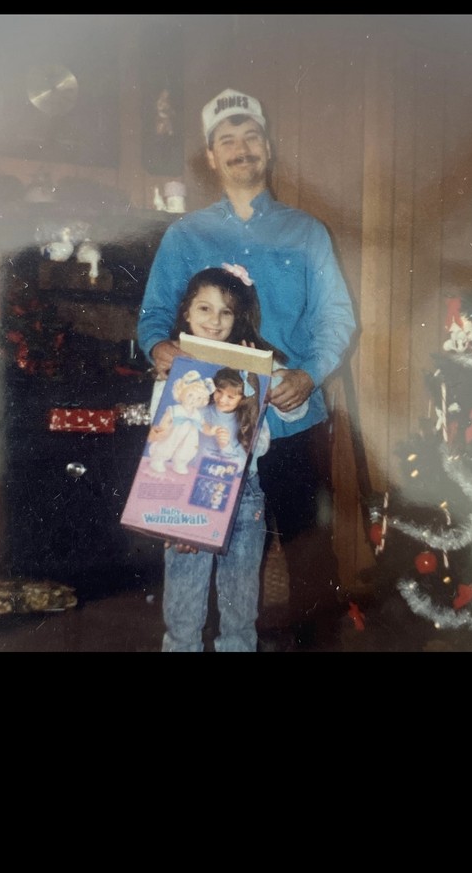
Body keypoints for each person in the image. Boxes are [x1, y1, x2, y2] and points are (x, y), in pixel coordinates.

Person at [138, 87, 356, 648]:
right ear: (211, 157)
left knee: (309, 553)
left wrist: (309, 374)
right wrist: (158, 347)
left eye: (251, 136)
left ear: (268, 147)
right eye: (227, 140)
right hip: (209, 425)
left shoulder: (307, 233)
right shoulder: (185, 235)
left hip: (290, 417)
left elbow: (337, 318)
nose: (241, 149)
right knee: (193, 550)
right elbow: (155, 316)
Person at [150, 265, 303, 653]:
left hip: (244, 493)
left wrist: (268, 379)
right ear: (186, 312)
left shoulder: (256, 360)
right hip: (188, 487)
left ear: (239, 318)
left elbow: (295, 410)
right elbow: (160, 439)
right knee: (183, 608)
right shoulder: (174, 365)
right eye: (205, 308)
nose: (215, 321)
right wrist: (173, 516)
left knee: (240, 607)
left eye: (226, 312)